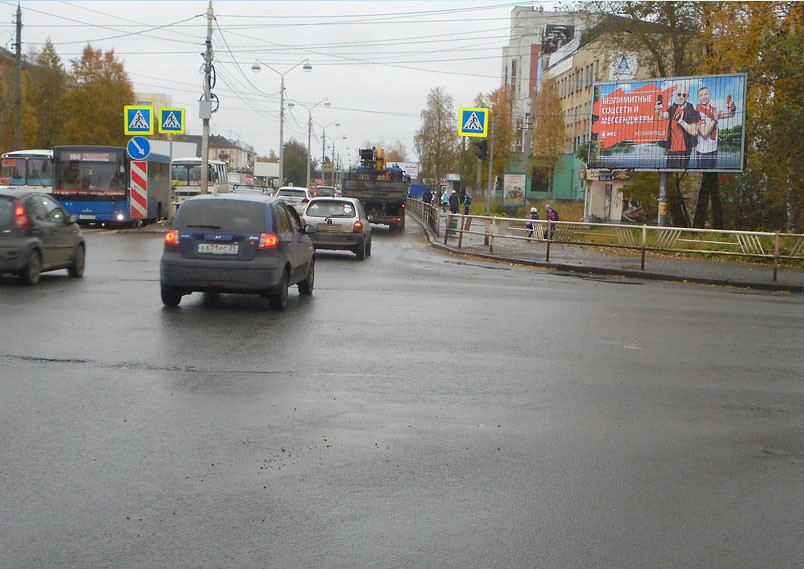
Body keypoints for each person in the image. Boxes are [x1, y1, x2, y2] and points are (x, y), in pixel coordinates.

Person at [655, 84, 700, 169]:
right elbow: (663, 116)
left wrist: (681, 121)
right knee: (669, 173)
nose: (681, 97)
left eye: (684, 95)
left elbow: (694, 131)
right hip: (672, 150)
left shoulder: (691, 110)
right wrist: (658, 111)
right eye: (679, 94)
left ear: (687, 97)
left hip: (683, 151)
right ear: (676, 95)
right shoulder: (674, 108)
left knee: (681, 174)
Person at [695, 85, 737, 170]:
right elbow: (704, 133)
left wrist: (732, 108)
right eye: (701, 95)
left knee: (712, 176)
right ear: (698, 98)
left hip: (714, 150)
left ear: (710, 95)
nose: (703, 97)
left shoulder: (714, 110)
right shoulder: (696, 112)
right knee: (705, 177)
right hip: (703, 152)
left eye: (705, 94)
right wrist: (715, 119)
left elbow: (731, 115)